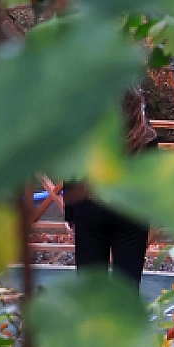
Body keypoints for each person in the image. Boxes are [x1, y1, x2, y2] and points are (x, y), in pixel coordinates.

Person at [63, 88, 157, 285]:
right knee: (128, 283)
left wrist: (70, 212)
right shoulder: (146, 136)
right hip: (131, 211)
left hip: (90, 204)